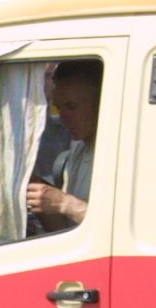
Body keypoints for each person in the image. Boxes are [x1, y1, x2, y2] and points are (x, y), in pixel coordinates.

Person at [25, 60, 101, 232]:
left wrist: (64, 203)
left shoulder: (123, 151)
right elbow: (65, 230)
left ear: (99, 104)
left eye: (71, 107)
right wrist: (37, 192)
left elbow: (119, 231)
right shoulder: (79, 149)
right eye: (59, 108)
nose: (63, 117)